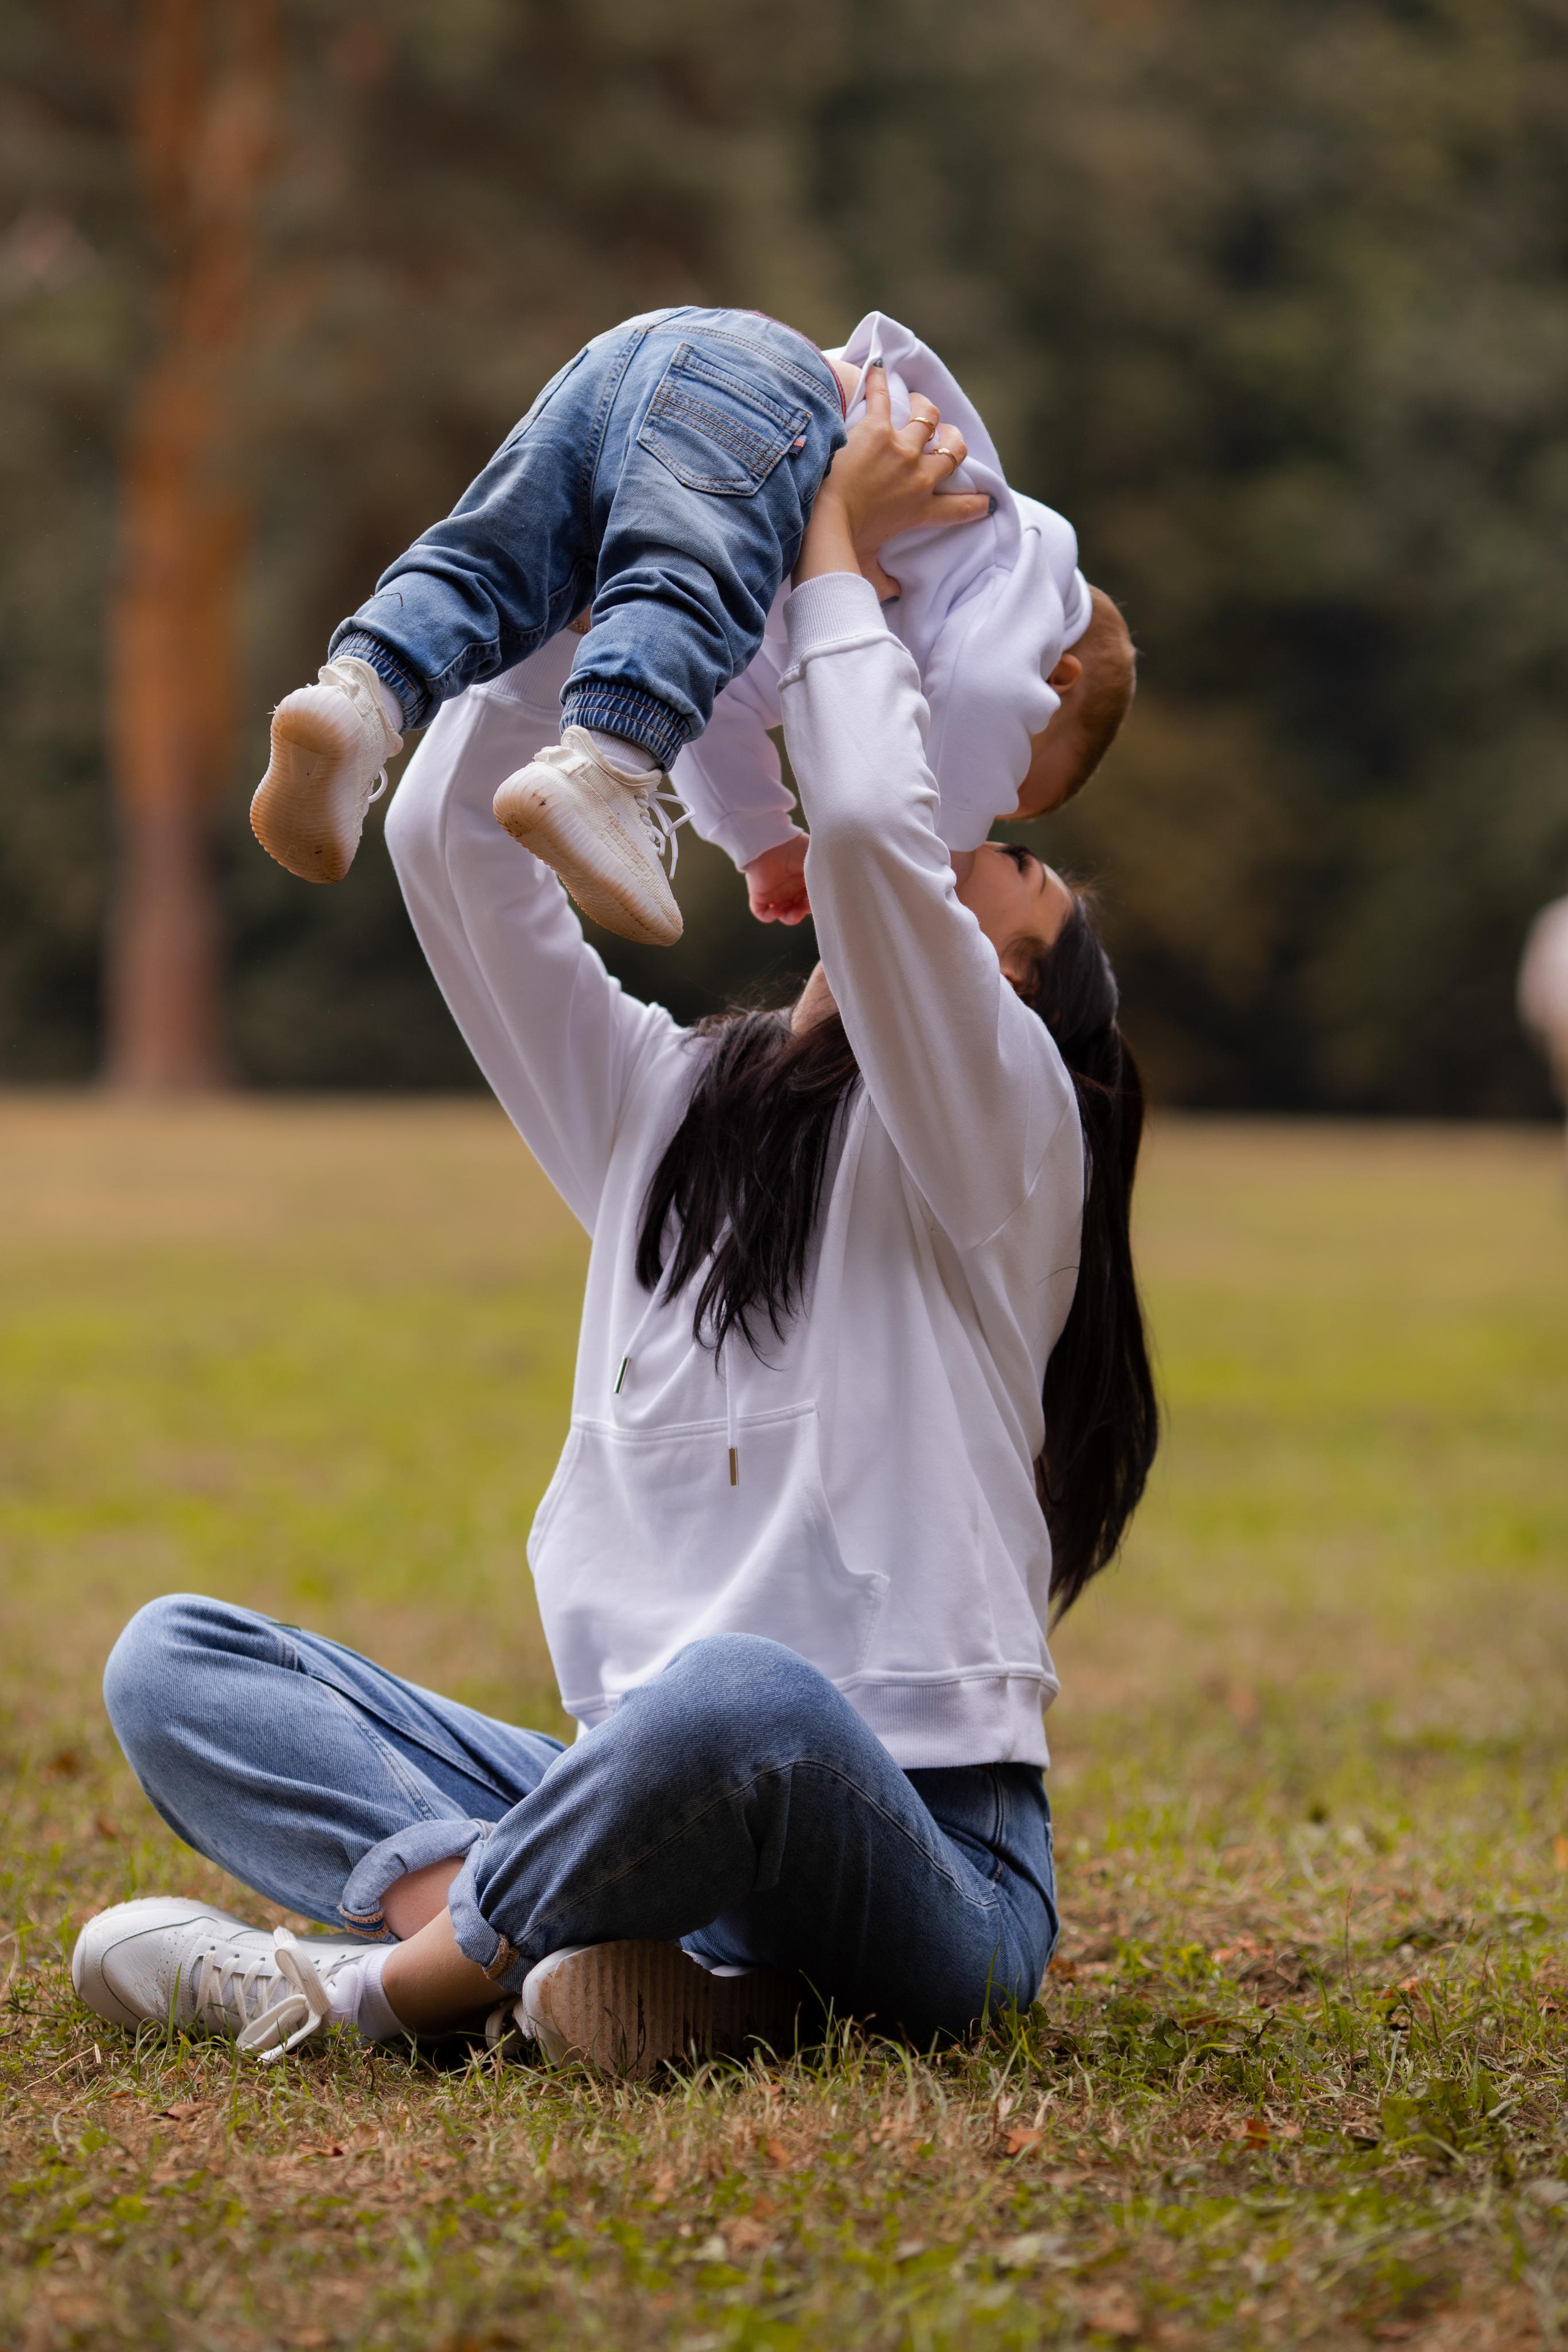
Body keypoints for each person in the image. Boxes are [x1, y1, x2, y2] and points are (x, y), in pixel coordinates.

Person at [74, 382, 1158, 2079]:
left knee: (743, 1702)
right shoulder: (664, 1119)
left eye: (999, 873)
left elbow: (875, 831)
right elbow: (445, 836)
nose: (962, 853)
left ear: (1017, 1003)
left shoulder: (1004, 1140)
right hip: (638, 1793)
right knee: (179, 1660)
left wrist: (825, 541)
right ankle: (600, 1959)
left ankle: (383, 1992)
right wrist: (619, 546)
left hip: (921, 1854)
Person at [249, 307, 1134, 948]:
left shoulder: (862, 612)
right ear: (1057, 682)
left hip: (625, 356)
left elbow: (724, 699)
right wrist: (937, 852)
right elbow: (984, 694)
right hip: (771, 394)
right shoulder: (1027, 559)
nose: (937, 774)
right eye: (1008, 766)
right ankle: (604, 769)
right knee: (687, 588)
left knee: (501, 565)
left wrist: (761, 841)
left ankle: (361, 697)